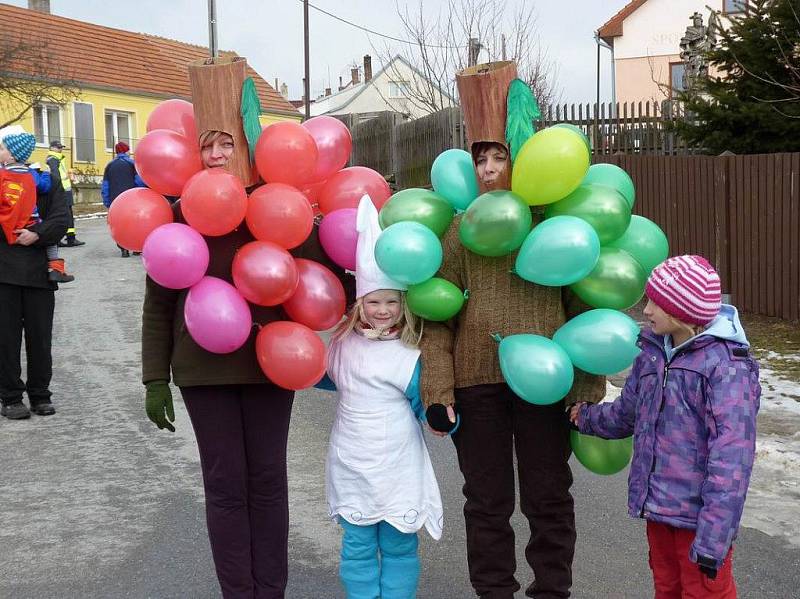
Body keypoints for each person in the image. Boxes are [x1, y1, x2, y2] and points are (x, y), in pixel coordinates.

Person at [142, 53, 353, 599]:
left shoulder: (278, 205)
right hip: (202, 372)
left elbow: (324, 278)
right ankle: (239, 591)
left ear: (246, 146)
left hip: (270, 368)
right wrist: (153, 378)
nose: (214, 155)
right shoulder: (180, 215)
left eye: (226, 143)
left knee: (267, 481)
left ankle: (271, 588)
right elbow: (159, 303)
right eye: (206, 145)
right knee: (225, 486)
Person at [420, 61, 605, 599]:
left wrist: (587, 389)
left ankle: (552, 590)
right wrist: (438, 390)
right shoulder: (460, 230)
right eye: (480, 158)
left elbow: (586, 309)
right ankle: (494, 590)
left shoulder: (554, 228)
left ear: (520, 158)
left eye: (498, 155)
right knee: (486, 501)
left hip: (547, 383)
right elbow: (438, 318)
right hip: (477, 385)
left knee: (549, 495)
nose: (487, 168)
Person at [569, 255, 760, 599]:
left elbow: (732, 459)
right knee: (667, 589)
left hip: (700, 522)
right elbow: (627, 413)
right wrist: (584, 417)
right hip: (659, 509)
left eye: (655, 302)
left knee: (704, 593)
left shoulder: (726, 367)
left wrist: (714, 538)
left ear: (681, 311)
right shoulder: (653, 355)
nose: (646, 310)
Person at [325, 196, 445, 599]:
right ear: (360, 303)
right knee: (357, 545)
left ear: (403, 304)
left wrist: (442, 417)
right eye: (374, 301)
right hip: (353, 455)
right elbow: (325, 377)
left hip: (396, 459)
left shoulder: (409, 352)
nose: (383, 310)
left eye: (391, 301)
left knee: (398, 543)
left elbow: (424, 400)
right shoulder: (343, 343)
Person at [0, 126, 68, 419]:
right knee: (6, 337)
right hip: (3, 270)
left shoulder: (47, 181)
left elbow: (62, 217)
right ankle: (11, 397)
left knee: (40, 337)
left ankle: (40, 394)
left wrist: (37, 234)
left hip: (40, 272)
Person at [101, 141, 145, 257]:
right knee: (135, 222)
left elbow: (105, 185)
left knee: (120, 224)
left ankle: (123, 249)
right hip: (132, 198)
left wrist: (107, 201)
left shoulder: (109, 166)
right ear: (126, 151)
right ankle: (136, 248)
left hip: (115, 201)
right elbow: (139, 181)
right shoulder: (132, 164)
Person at [47, 139, 84, 247]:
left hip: (64, 190)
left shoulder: (57, 159)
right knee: (64, 214)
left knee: (67, 214)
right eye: (58, 147)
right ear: (52, 148)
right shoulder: (53, 159)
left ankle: (70, 237)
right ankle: (65, 239)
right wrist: (67, 176)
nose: (61, 149)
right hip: (61, 191)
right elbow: (56, 177)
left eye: (61, 147)